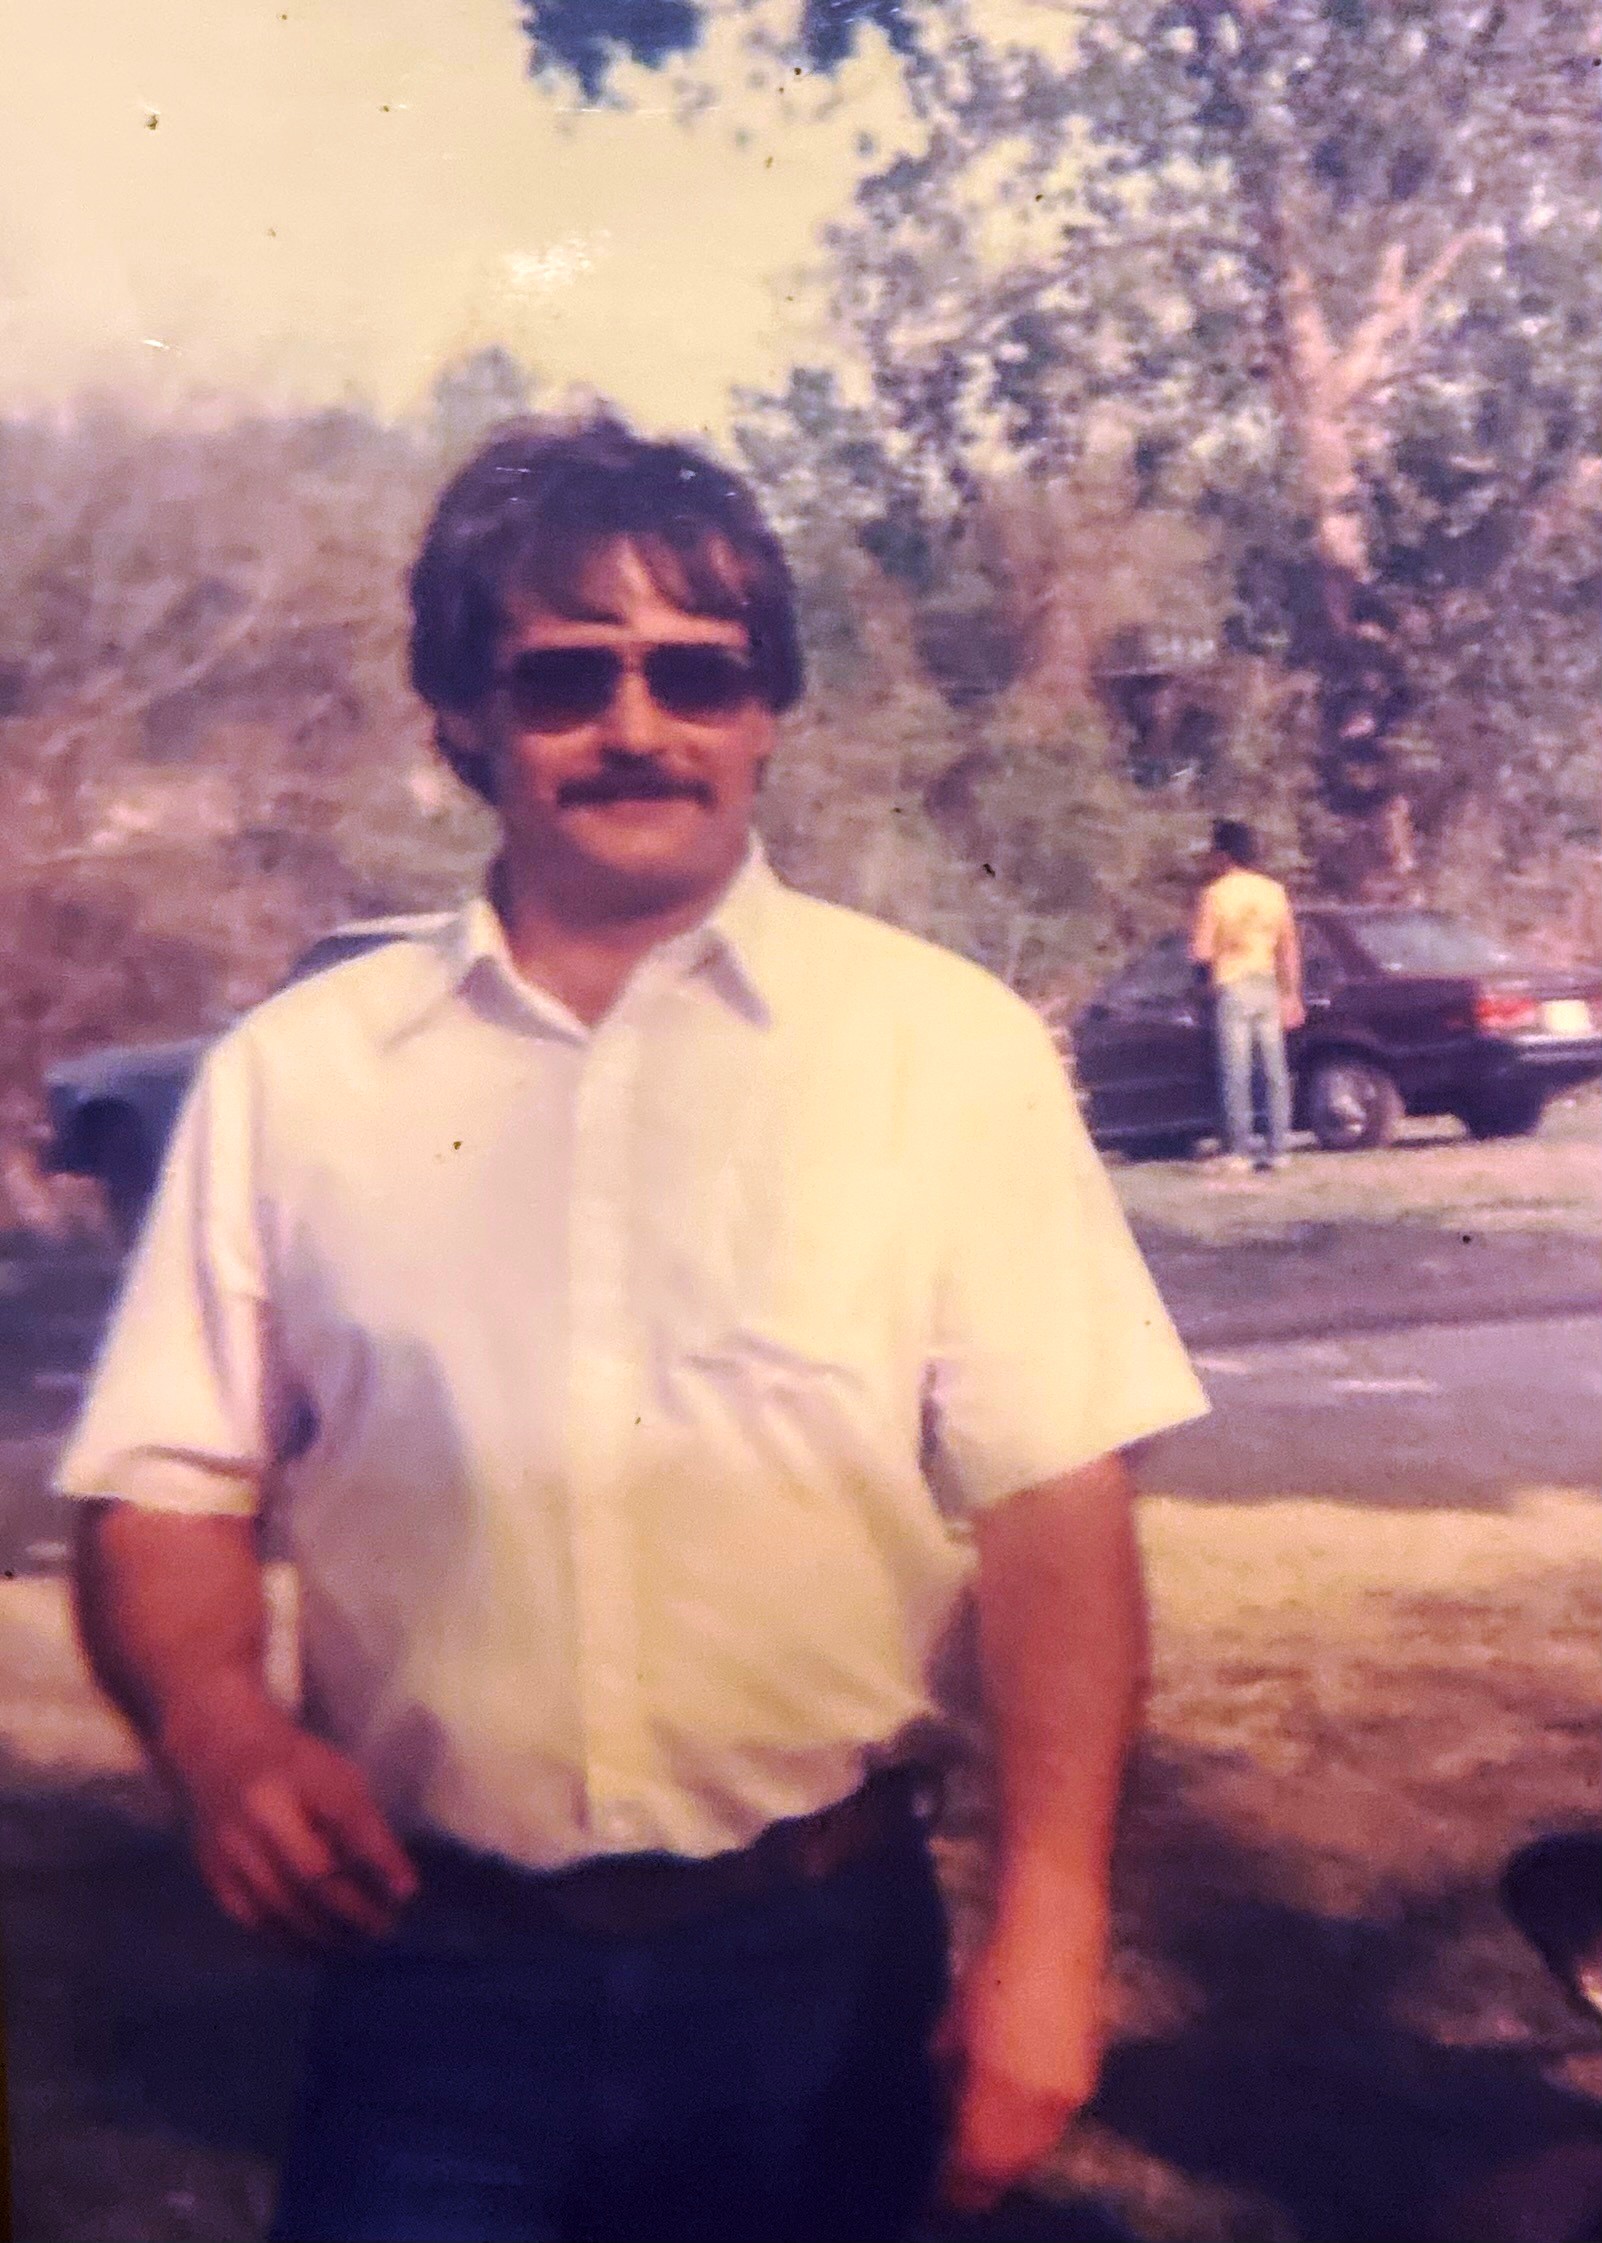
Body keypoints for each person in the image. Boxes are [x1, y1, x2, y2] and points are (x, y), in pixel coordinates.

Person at [60, 412, 1208, 2243]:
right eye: (564, 675)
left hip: (816, 1972)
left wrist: (1051, 1926)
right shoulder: (297, 1077)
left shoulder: (936, 1048)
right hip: (429, 1981)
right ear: (463, 717)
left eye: (696, 669)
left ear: (767, 710)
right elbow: (165, 1481)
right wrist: (216, 1728)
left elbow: (1056, 1506)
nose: (636, 724)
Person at [1190, 818, 1305, 1174]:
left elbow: (1201, 952)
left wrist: (1202, 988)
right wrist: (1291, 994)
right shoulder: (1273, 891)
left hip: (1232, 984)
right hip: (1266, 983)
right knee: (1273, 1070)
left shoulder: (1215, 894)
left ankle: (1238, 1149)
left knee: (1235, 1070)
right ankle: (1278, 1147)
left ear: (1223, 855)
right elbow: (1288, 947)